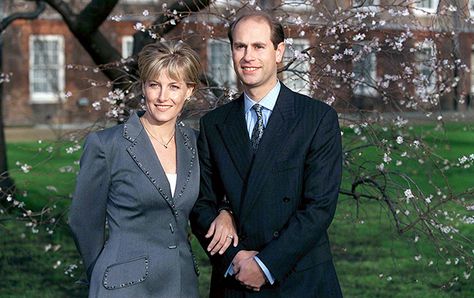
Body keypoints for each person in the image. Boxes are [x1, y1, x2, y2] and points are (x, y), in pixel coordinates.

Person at [190, 11, 343, 297]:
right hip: (235, 278)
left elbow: (319, 207)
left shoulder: (317, 118)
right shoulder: (214, 124)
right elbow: (201, 204)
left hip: (299, 279)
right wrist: (234, 258)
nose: (248, 56)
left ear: (279, 51)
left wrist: (265, 265)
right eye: (240, 46)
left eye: (258, 46)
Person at [69, 41, 238, 298]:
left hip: (180, 283)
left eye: (174, 87)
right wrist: (101, 276)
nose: (162, 97)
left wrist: (225, 211)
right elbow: (83, 221)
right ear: (143, 87)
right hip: (122, 287)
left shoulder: (196, 143)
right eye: (154, 85)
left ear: (189, 91)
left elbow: (214, 195)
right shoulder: (107, 145)